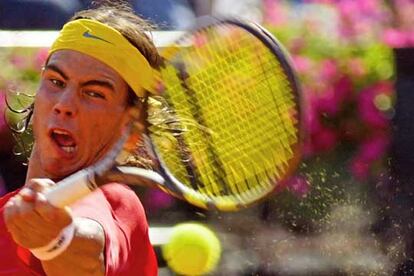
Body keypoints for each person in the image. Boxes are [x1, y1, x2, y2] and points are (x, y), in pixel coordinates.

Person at [0, 2, 162, 275]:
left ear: (130, 129)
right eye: (56, 82)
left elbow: (87, 248)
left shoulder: (115, 204)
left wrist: (54, 241)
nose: (64, 104)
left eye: (94, 93)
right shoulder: (8, 212)